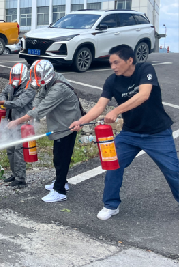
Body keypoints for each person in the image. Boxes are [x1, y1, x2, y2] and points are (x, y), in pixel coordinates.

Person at [70, 44, 179, 220]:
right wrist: (81, 121)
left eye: (116, 62)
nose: (113, 67)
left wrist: (116, 111)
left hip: (157, 132)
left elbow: (144, 95)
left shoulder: (145, 69)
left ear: (130, 60)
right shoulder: (112, 81)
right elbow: (100, 106)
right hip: (130, 133)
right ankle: (111, 205)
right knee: (113, 164)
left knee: (173, 171)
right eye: (111, 63)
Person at [8, 60, 82, 202]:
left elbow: (43, 108)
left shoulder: (58, 88)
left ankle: (59, 191)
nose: (37, 80)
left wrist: (17, 121)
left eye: (39, 77)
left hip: (68, 125)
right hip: (59, 122)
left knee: (62, 158)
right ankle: (61, 182)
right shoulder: (51, 80)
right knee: (58, 156)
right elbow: (39, 98)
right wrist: (34, 109)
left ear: (47, 73)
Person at [0, 63, 36, 188]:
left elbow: (19, 103)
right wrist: (2, 100)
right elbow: (3, 92)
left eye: (17, 75)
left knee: (19, 151)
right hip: (10, 122)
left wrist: (3, 103)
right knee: (10, 150)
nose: (15, 77)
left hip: (22, 124)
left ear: (23, 75)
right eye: (13, 75)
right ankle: (14, 174)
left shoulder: (29, 88)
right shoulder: (11, 85)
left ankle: (21, 179)